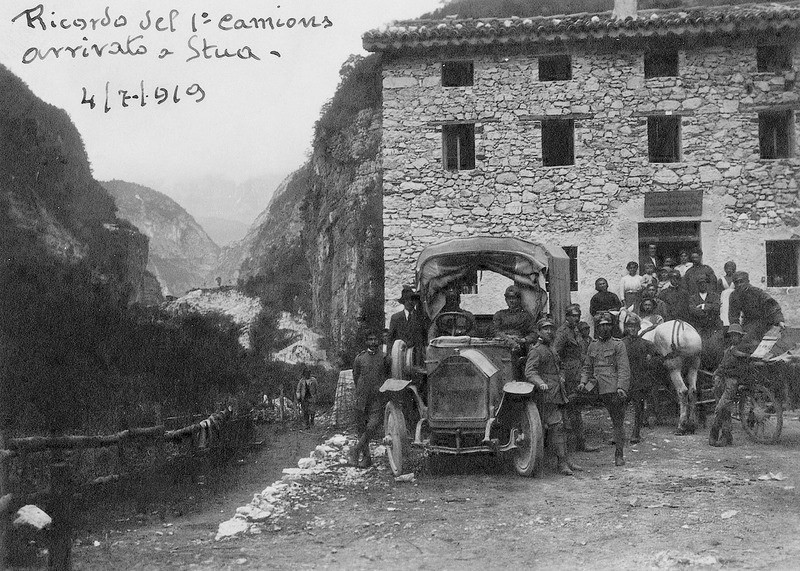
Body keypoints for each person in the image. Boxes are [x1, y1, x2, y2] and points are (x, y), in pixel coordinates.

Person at [525, 318, 580, 476]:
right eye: (545, 329)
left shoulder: (551, 348)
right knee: (556, 427)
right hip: (546, 395)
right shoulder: (536, 350)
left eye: (551, 329)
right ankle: (561, 463)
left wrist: (562, 376)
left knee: (562, 427)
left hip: (558, 392)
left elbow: (559, 366)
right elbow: (530, 372)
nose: (549, 331)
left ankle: (565, 460)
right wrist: (540, 382)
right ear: (539, 332)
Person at [578, 312, 631, 467]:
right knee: (573, 401)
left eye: (608, 325)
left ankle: (619, 454)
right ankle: (579, 444)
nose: (605, 328)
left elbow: (623, 368)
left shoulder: (618, 344)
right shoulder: (592, 345)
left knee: (617, 421)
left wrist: (621, 387)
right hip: (594, 385)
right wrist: (583, 383)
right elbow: (587, 367)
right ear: (597, 327)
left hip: (612, 387)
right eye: (602, 325)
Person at [553, 305, 599, 452]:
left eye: (578, 315)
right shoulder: (562, 332)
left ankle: (579, 443)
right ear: (567, 316)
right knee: (570, 408)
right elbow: (555, 353)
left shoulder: (576, 330)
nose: (576, 318)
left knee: (576, 407)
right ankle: (572, 445)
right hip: (568, 373)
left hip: (578, 371)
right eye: (573, 316)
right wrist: (561, 373)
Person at [349, 331, 390, 468]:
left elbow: (387, 376)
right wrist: (361, 390)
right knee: (362, 428)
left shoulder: (384, 358)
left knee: (373, 425)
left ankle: (355, 450)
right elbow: (356, 377)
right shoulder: (360, 358)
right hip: (362, 398)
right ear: (366, 342)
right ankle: (366, 459)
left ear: (379, 341)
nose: (373, 342)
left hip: (377, 397)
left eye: (375, 339)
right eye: (370, 339)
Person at [621, 314, 661, 444]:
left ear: (639, 328)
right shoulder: (621, 344)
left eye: (634, 326)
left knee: (638, 408)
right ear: (626, 328)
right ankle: (618, 434)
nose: (632, 329)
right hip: (624, 381)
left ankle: (635, 434)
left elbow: (658, 357)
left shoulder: (646, 344)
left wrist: (650, 360)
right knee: (620, 409)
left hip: (640, 381)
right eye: (629, 326)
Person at [708, 324, 747, 447]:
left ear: (740, 337)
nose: (733, 338)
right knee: (725, 410)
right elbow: (722, 365)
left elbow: (742, 369)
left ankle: (713, 433)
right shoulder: (728, 349)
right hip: (721, 380)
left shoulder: (742, 350)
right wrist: (717, 373)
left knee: (720, 408)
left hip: (732, 381)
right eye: (731, 335)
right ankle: (726, 436)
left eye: (736, 335)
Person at [727, 271, 785, 352]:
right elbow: (733, 316)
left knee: (752, 341)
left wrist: (779, 320)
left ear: (748, 281)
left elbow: (772, 306)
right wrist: (735, 332)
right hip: (748, 322)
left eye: (741, 281)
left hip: (764, 321)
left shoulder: (757, 292)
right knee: (740, 344)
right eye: (736, 283)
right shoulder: (734, 295)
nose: (739, 285)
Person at [387, 285, 428, 364]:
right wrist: (389, 354)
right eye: (408, 300)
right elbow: (390, 338)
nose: (411, 303)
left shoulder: (421, 318)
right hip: (400, 356)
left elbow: (425, 338)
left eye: (413, 300)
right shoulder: (396, 318)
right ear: (404, 301)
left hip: (417, 357)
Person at [492, 285, 538, 351]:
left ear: (519, 299)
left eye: (513, 298)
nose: (511, 301)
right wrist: (507, 339)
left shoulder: (526, 316)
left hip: (521, 348)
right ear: (506, 300)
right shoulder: (499, 315)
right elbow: (495, 331)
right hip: (501, 346)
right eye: (509, 298)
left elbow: (534, 333)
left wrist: (523, 340)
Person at [718, 261, 737, 329]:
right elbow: (718, 292)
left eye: (731, 268)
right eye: (727, 268)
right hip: (724, 300)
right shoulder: (721, 280)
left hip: (734, 298)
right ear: (725, 269)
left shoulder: (736, 279)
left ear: (734, 269)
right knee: (724, 314)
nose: (729, 270)